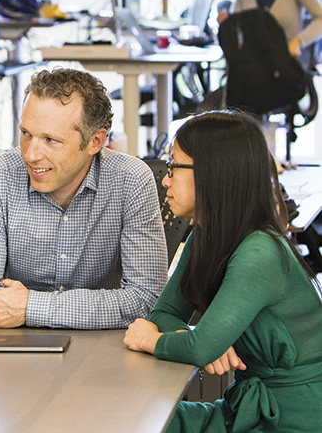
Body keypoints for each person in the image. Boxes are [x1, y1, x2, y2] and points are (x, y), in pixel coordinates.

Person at [124, 110, 322, 432]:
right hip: (248, 407)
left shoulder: (260, 253)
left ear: (212, 174)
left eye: (174, 167)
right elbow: (165, 312)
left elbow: (197, 346)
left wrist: (153, 341)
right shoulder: (207, 234)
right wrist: (194, 339)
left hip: (296, 417)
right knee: (136, 417)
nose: (165, 179)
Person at [0, 67, 168, 329]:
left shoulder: (131, 181)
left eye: (50, 140)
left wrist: (30, 307)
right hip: (15, 347)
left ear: (95, 141)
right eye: (26, 134)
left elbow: (146, 300)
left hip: (105, 350)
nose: (31, 154)